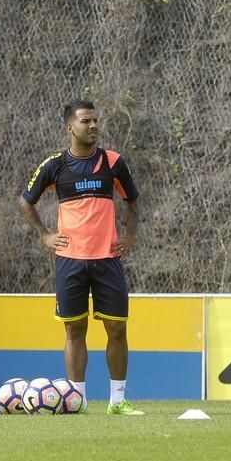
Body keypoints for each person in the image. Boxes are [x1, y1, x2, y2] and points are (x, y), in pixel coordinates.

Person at [19, 98, 143, 415]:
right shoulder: (55, 165)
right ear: (70, 127)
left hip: (107, 260)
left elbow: (132, 202)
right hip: (70, 261)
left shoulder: (114, 162)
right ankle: (78, 401)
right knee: (74, 330)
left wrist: (129, 235)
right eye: (86, 121)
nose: (93, 126)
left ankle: (117, 401)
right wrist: (45, 234)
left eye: (95, 121)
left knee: (117, 329)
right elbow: (25, 202)